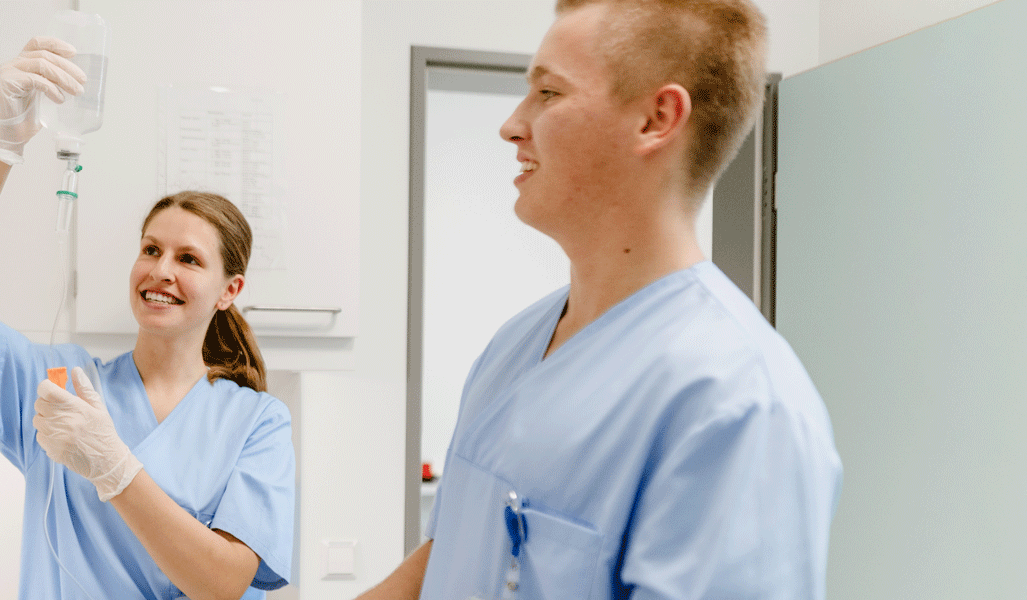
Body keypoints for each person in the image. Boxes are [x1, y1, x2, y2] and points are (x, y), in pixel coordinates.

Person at [360, 1, 841, 599]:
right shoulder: (515, 345)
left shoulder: (737, 405)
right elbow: (455, 552)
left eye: (548, 94)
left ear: (656, 119)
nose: (512, 124)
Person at [0, 37, 295, 600]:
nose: (161, 270)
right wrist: (2, 145)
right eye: (150, 249)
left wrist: (113, 465)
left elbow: (224, 582)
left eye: (188, 259)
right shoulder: (64, 388)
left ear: (229, 290)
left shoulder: (256, 422)